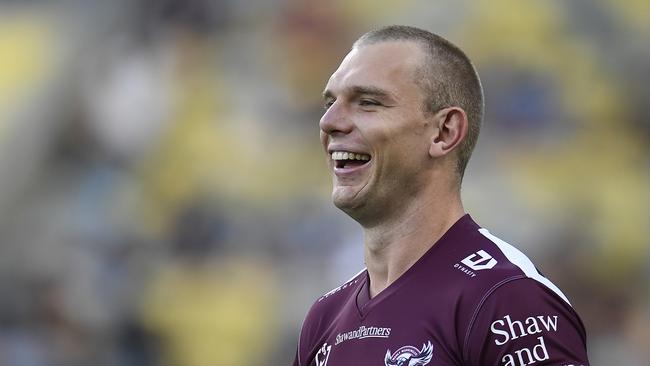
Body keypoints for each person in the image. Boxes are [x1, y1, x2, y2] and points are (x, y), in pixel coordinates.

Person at [293, 25, 590, 366]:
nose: (329, 122)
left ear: (444, 132)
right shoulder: (324, 319)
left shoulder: (505, 297)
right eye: (330, 103)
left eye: (368, 102)